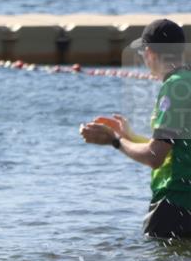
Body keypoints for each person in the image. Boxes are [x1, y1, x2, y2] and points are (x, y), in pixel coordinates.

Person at [80, 18, 191, 239]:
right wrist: (129, 136)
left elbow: (155, 156)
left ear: (149, 52)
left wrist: (116, 141)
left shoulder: (174, 86)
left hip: (175, 206)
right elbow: (176, 148)